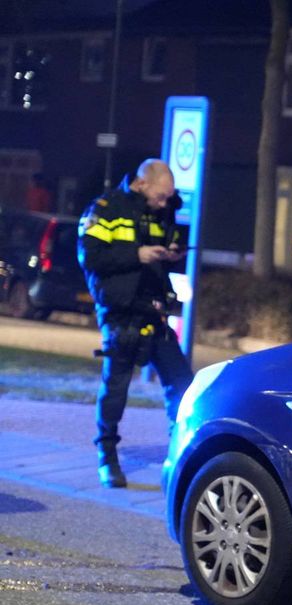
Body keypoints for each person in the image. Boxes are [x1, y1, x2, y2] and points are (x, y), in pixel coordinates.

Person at [78, 159, 193, 488]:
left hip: (153, 309)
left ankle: (181, 455)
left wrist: (171, 252)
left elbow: (165, 241)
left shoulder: (161, 211)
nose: (165, 203)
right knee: (116, 387)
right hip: (120, 311)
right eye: (161, 196)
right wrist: (137, 255)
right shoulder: (106, 209)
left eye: (168, 197)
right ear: (141, 183)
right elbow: (90, 257)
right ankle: (107, 456)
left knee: (182, 385)